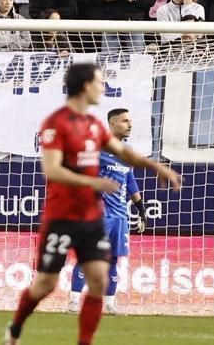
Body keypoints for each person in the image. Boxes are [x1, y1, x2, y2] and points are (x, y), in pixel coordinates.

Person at [4, 62, 181, 345]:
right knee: (45, 284)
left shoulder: (94, 126)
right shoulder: (55, 123)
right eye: (100, 83)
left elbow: (126, 154)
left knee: (98, 279)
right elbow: (52, 170)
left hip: (91, 216)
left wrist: (157, 167)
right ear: (86, 86)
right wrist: (92, 183)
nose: (103, 88)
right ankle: (14, 329)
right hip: (62, 216)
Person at [67, 107, 144, 316]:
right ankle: (74, 302)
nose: (130, 125)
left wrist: (141, 209)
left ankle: (109, 305)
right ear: (112, 123)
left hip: (120, 216)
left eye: (130, 121)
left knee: (112, 260)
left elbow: (130, 181)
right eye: (125, 121)